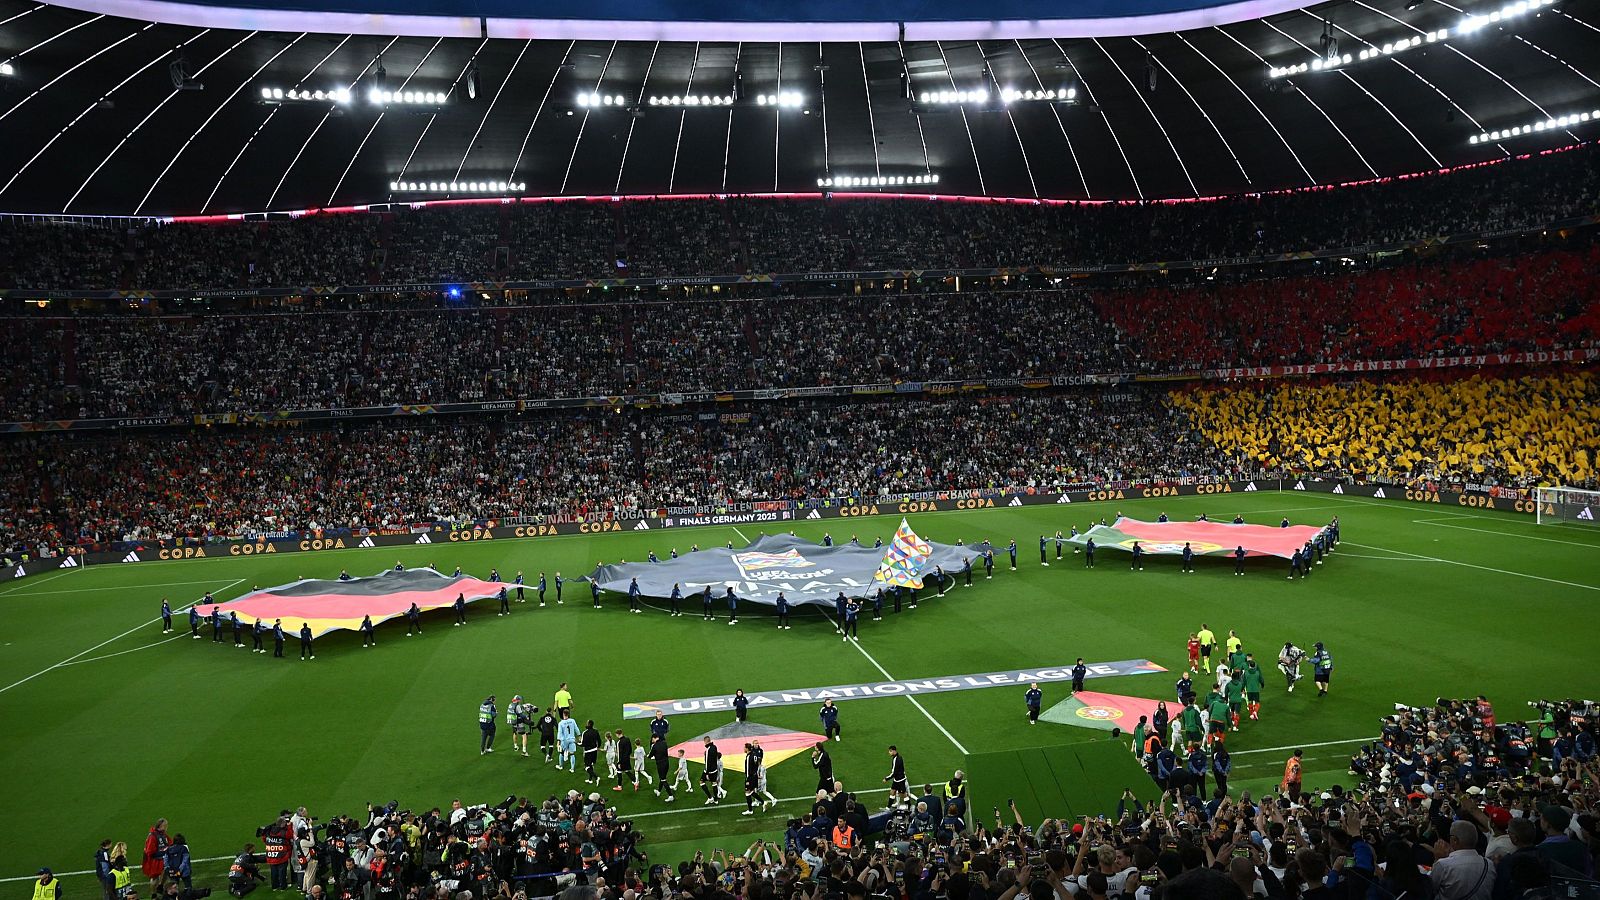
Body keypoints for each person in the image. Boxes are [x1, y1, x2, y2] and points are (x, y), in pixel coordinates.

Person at [1432, 821, 1495, 900]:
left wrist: (1437, 858)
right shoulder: (1489, 864)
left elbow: (1431, 889)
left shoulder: (1443, 865)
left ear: (1455, 840)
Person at [702, 737, 725, 805]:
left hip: (709, 771)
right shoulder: (714, 747)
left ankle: (710, 797)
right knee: (714, 783)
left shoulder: (708, 750)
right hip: (715, 770)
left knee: (701, 781)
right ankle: (715, 799)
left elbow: (707, 763)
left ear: (705, 742)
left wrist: (707, 773)